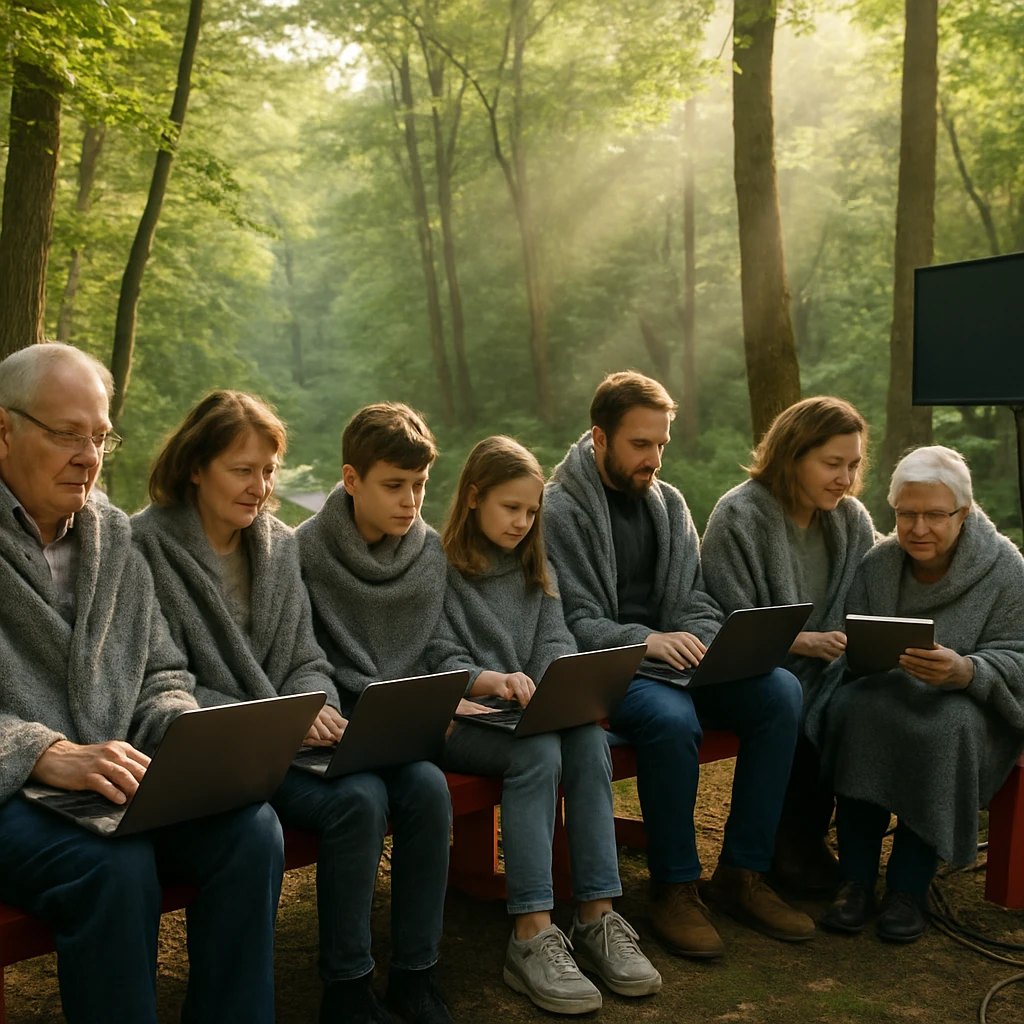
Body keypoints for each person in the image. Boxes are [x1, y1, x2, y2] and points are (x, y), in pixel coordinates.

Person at [133, 391, 438, 1024]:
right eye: (242, 470)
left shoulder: (275, 544)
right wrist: (281, 715)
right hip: (214, 753)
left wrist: (315, 704)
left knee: (398, 790)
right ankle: (341, 987)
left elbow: (306, 655)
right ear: (196, 466)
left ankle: (386, 979)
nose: (259, 487)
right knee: (358, 799)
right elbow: (161, 681)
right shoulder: (147, 546)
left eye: (268, 470)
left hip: (291, 741)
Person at [0, 344, 284, 1024]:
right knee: (114, 868)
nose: (88, 455)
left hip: (114, 787)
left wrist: (182, 735)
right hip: (13, 793)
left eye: (99, 436)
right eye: (67, 433)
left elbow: (160, 672)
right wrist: (41, 750)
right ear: (3, 430)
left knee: (253, 831)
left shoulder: (112, 536)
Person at [543, 370, 813, 959]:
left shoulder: (668, 503)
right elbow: (573, 620)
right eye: (641, 444)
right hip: (612, 670)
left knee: (780, 692)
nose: (654, 458)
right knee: (671, 719)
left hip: (678, 663)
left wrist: (707, 642)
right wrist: (646, 641)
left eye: (662, 444)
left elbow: (694, 595)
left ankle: (743, 874)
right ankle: (674, 888)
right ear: (599, 438)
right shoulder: (559, 509)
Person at [430, 436, 661, 1015]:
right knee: (538, 753)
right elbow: (434, 656)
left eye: (531, 511)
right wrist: (491, 679)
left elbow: (555, 637)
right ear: (475, 497)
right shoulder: (439, 567)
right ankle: (531, 933)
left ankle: (597, 918)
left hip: (529, 713)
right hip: (465, 722)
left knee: (586, 738)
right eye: (511, 508)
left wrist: (556, 681)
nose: (522, 522)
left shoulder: (537, 563)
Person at [821, 446, 1024, 943]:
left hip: (971, 705)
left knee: (942, 726)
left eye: (934, 515)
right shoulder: (879, 564)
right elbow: (851, 640)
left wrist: (968, 670)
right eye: (906, 514)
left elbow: (1020, 654)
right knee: (854, 710)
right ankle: (856, 880)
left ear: (964, 513)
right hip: (883, 692)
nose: (917, 529)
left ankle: (909, 887)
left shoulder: (1005, 569)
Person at [296, 402, 455, 1024]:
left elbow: (437, 643)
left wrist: (448, 689)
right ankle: (347, 983)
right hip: (329, 730)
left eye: (419, 485)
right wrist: (324, 710)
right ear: (350, 479)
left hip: (403, 729)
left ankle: (417, 973)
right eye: (394, 485)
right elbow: (302, 653)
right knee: (361, 799)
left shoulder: (429, 552)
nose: (410, 500)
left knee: (428, 789)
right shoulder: (303, 551)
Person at [701, 397, 876, 892]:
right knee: (795, 695)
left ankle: (807, 839)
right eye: (832, 464)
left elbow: (872, 588)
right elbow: (721, 620)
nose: (845, 478)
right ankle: (784, 846)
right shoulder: (739, 515)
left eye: (854, 465)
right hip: (750, 675)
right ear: (793, 454)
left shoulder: (852, 520)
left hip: (831, 668)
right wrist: (798, 642)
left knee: (858, 700)